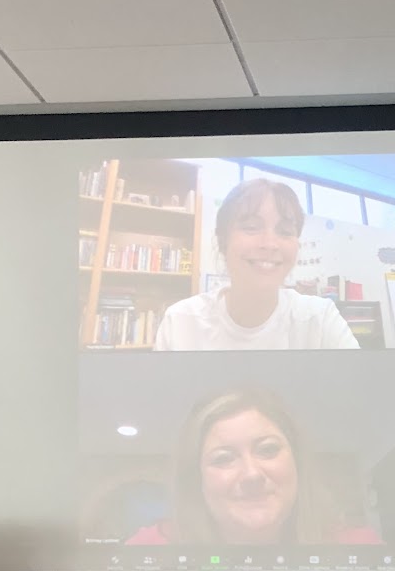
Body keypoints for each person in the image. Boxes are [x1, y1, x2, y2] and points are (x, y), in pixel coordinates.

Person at [126, 387, 380, 546]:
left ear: (297, 463)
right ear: (197, 479)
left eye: (268, 450)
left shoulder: (361, 546)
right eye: (224, 458)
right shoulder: (145, 548)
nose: (251, 474)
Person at [152, 178, 359, 351]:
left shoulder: (319, 319)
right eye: (251, 227)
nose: (270, 244)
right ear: (223, 241)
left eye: (285, 231)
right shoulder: (181, 323)